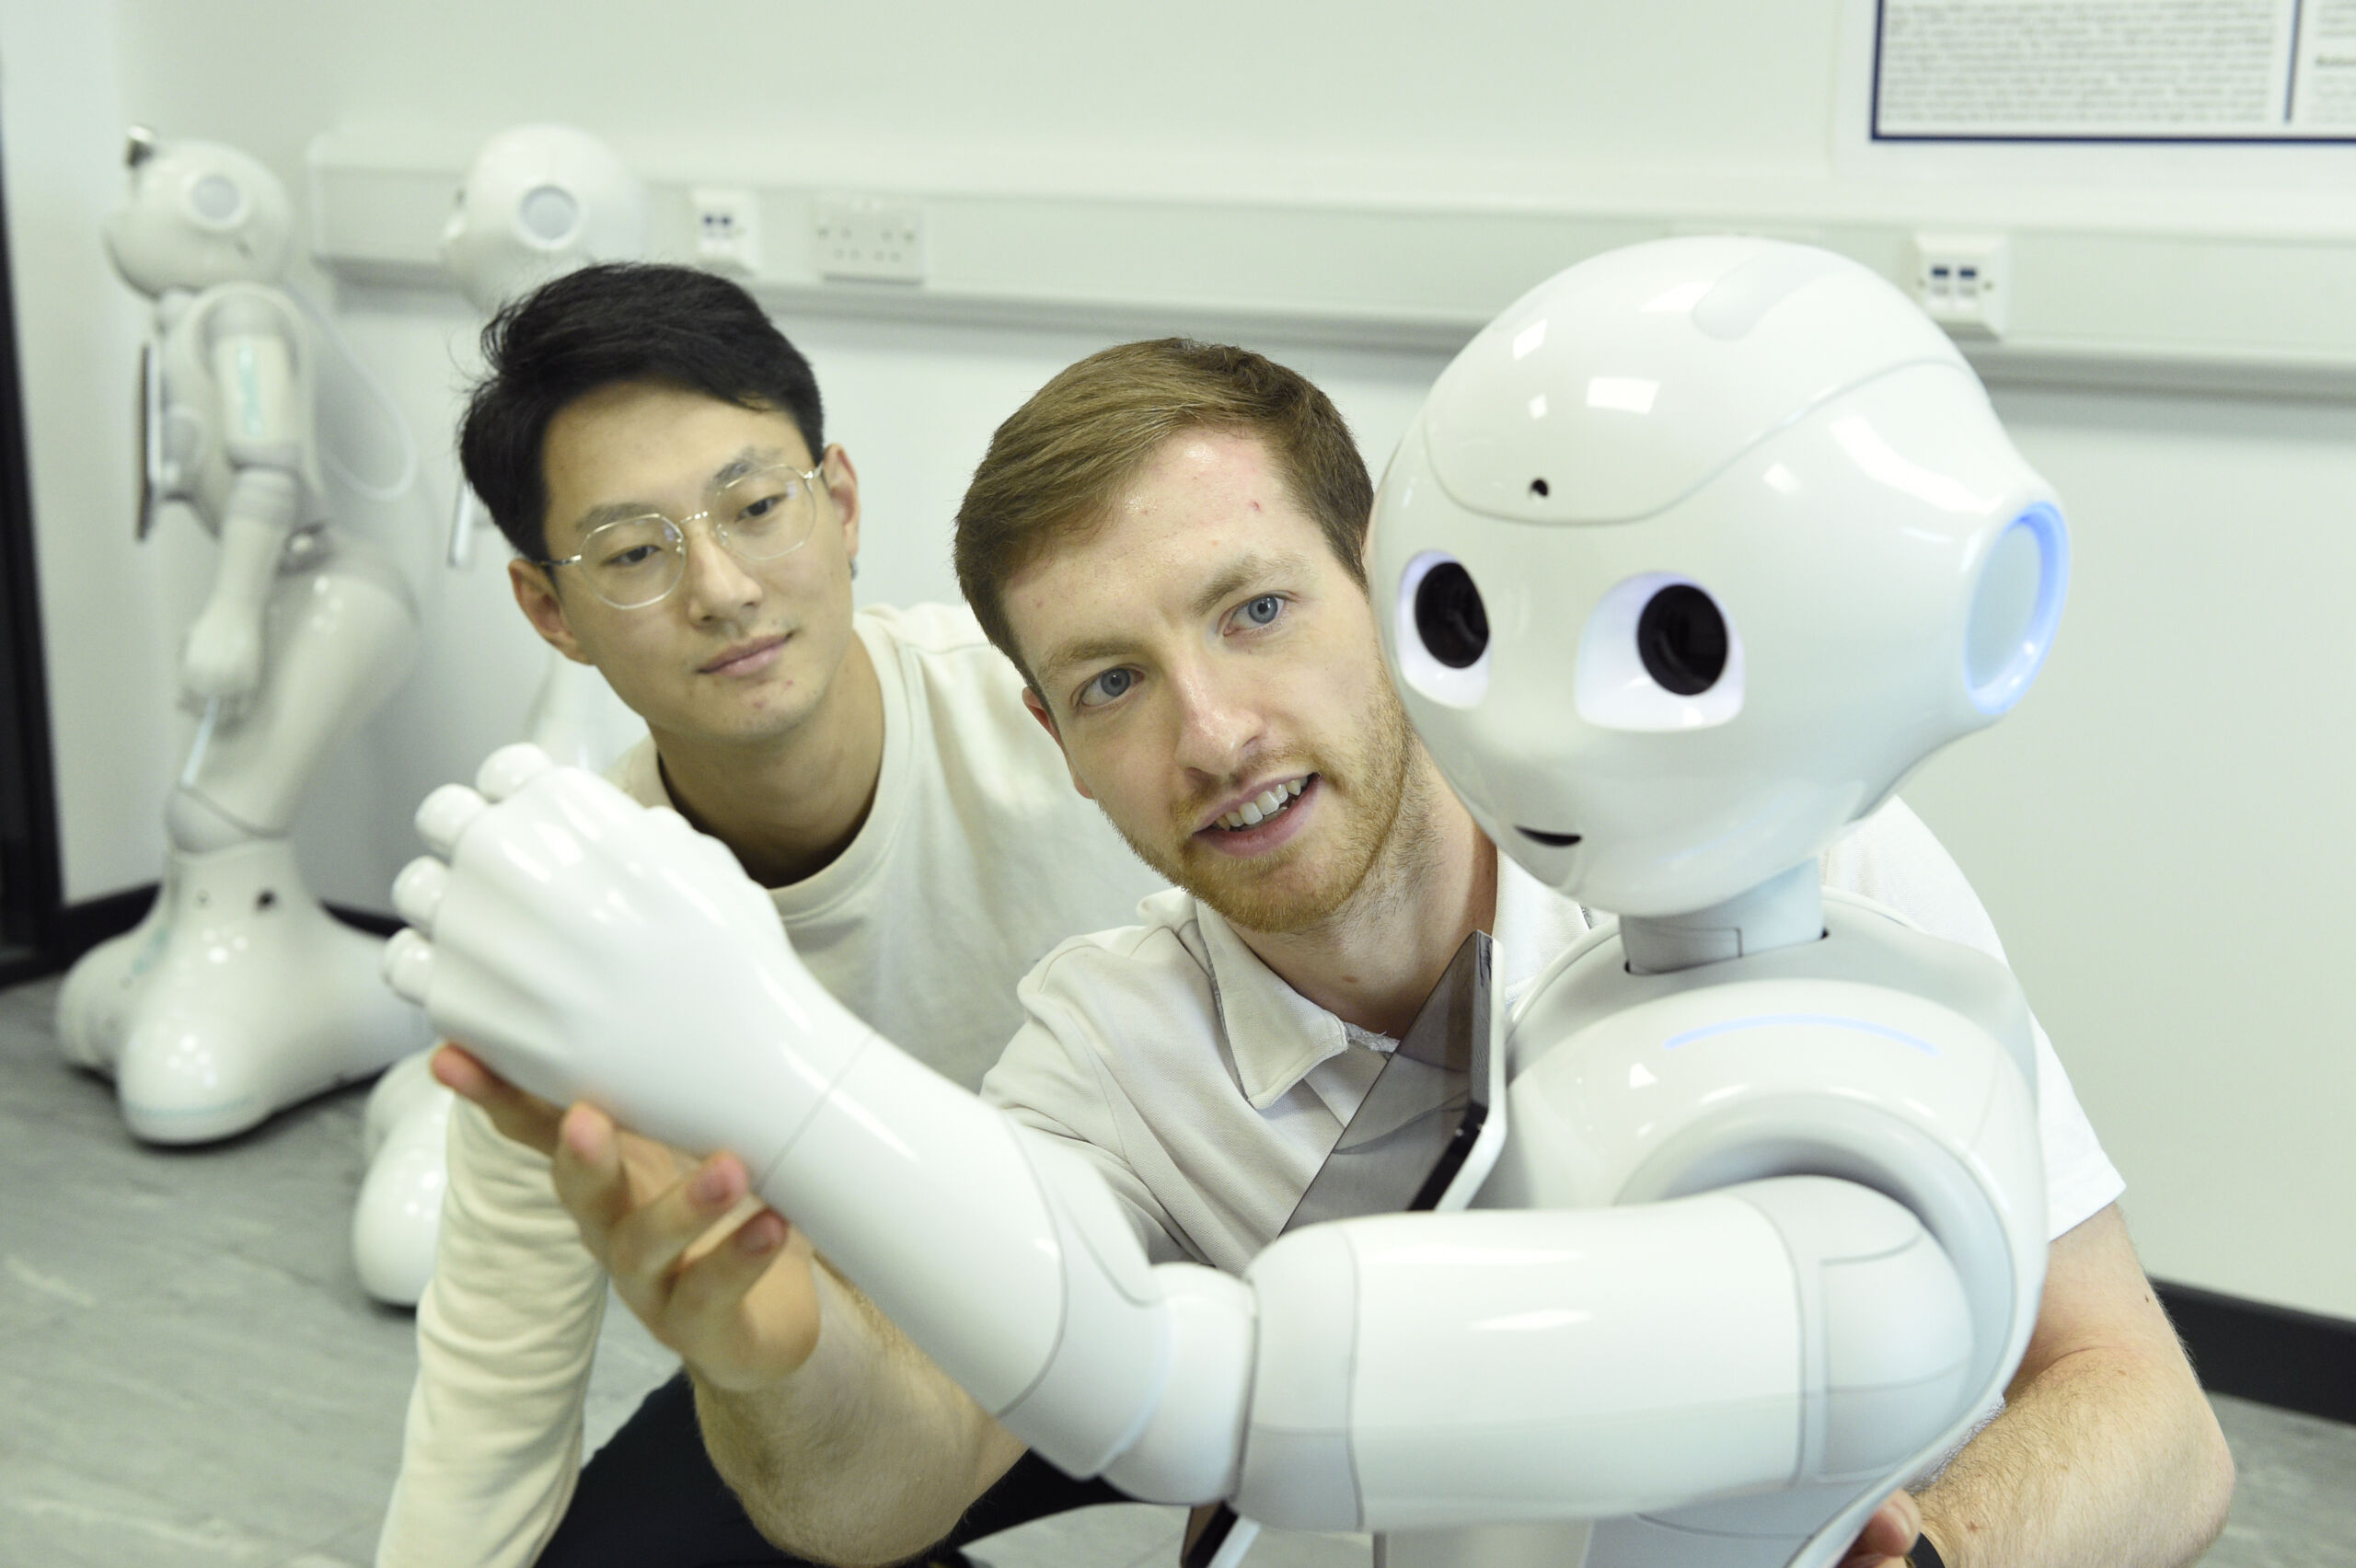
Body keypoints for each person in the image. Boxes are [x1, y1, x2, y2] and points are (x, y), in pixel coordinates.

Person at [445, 340, 2235, 1568]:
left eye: (1255, 611)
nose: (1213, 733)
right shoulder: (1112, 1053)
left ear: (1389, 582)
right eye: (1114, 683)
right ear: (1052, 738)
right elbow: (896, 1477)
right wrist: (776, 1361)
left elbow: (2145, 1413)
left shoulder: (1778, 847)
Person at [374, 264, 1166, 1568]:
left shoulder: (1068, 725)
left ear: (842, 506)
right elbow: (491, 1396)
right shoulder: (576, 929)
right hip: (862, 1388)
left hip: (1199, 1306)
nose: (724, 590)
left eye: (755, 507)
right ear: (547, 610)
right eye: (634, 552)